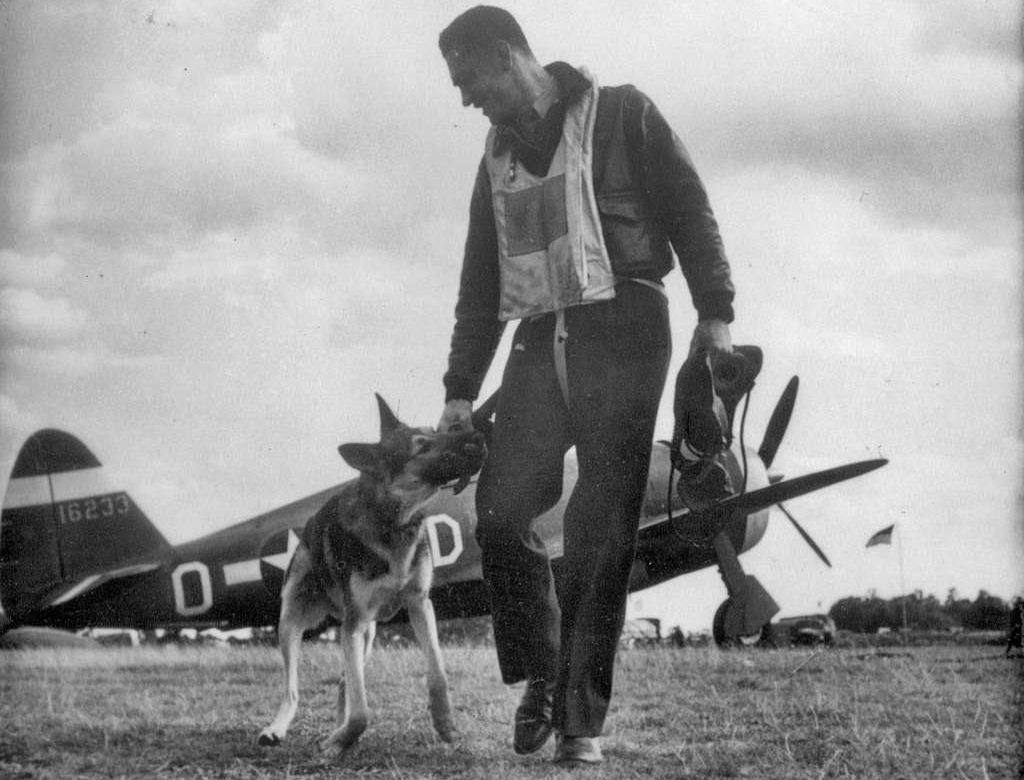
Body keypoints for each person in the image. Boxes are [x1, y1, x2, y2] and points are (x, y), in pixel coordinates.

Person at [436, 6, 736, 766]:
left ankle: (580, 726)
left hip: (628, 323)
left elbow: (691, 213)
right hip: (542, 336)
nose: (465, 98)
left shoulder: (625, 112)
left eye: (468, 79)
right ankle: (543, 671)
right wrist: (458, 391)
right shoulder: (494, 159)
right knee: (501, 513)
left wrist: (719, 318)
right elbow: (480, 284)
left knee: (602, 534)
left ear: (507, 57)